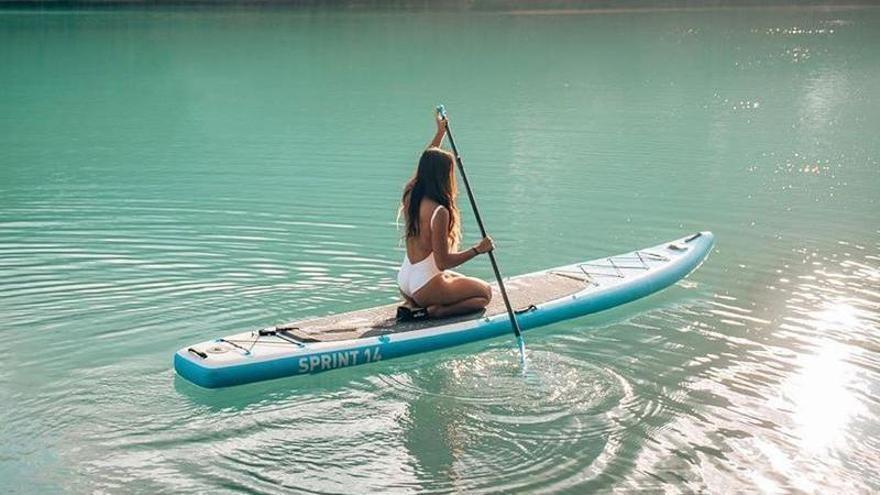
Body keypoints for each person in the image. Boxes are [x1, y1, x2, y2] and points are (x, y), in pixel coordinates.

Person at [396, 113, 494, 321]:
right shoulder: (439, 212)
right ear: (444, 176)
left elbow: (426, 161)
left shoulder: (410, 194)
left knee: (460, 280)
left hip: (405, 280)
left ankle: (412, 303)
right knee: (484, 293)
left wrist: (440, 133)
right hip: (424, 286)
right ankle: (436, 311)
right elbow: (443, 262)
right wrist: (478, 249)